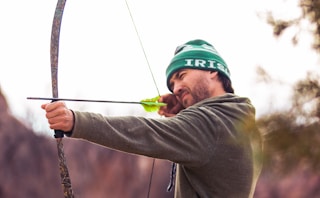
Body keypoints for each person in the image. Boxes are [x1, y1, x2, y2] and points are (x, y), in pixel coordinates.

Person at [42, 39, 263, 198]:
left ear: (212, 71)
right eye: (172, 84)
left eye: (181, 76)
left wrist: (75, 121)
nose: (176, 88)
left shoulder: (209, 124)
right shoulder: (241, 122)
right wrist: (183, 111)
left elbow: (145, 131)